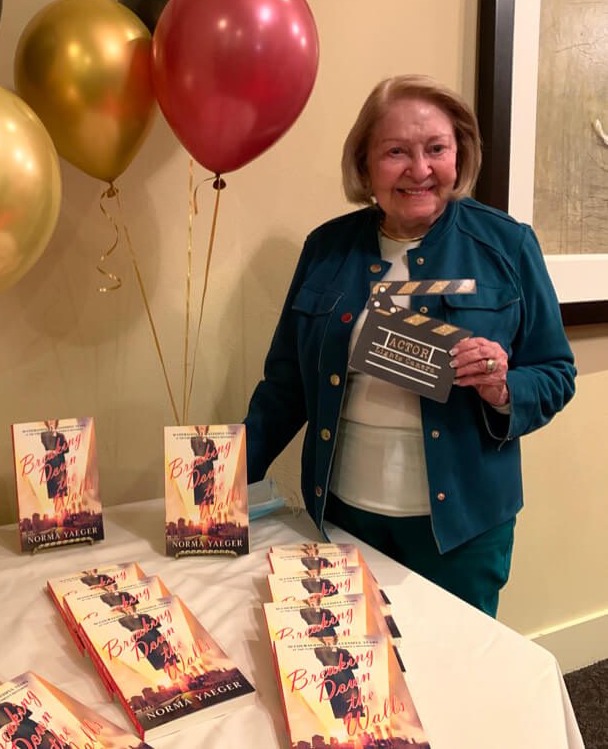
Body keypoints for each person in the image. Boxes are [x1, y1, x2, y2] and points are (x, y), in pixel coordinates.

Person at [244, 74, 576, 617]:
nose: (419, 169)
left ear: (458, 154)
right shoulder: (327, 249)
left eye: (436, 149)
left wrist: (501, 387)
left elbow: (556, 371)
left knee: (451, 682)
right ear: (365, 164)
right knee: (356, 677)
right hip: (343, 516)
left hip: (460, 531)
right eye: (396, 151)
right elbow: (285, 386)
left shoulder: (506, 246)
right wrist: (222, 481)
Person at [40, 420, 69, 501]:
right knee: (53, 491)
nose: (51, 422)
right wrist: (52, 434)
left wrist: (56, 451)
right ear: (46, 423)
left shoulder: (61, 435)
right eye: (49, 420)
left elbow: (67, 449)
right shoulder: (43, 435)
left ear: (56, 422)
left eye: (53, 420)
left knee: (62, 490)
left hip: (60, 465)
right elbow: (47, 445)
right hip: (50, 465)